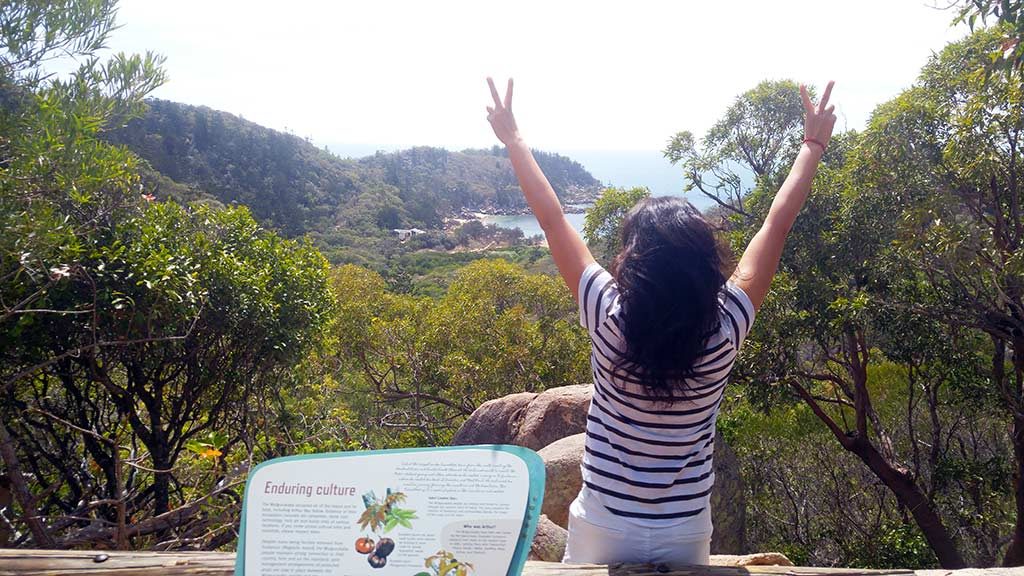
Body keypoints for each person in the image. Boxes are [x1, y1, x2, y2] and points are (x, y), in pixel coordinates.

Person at [485, 77, 836, 565]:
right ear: (702, 263)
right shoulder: (724, 328)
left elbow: (552, 220)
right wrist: (812, 146)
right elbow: (776, 224)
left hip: (603, 523)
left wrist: (513, 139)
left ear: (633, 260)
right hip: (685, 530)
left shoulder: (608, 316)